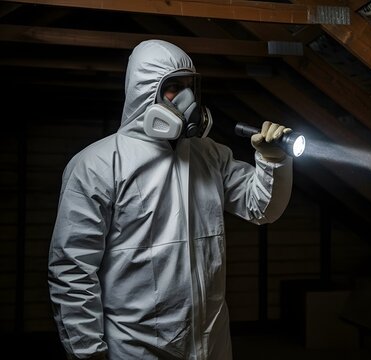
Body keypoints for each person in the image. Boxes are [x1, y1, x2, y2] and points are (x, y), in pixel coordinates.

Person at [47, 39, 293, 360]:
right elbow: (73, 271)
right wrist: (89, 353)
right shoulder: (98, 165)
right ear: (145, 92)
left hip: (211, 343)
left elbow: (262, 209)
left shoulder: (210, 155)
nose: (187, 98)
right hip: (136, 348)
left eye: (191, 86)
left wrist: (273, 160)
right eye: (174, 87)